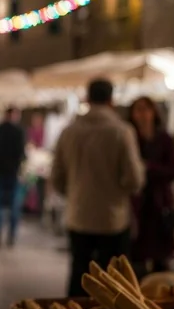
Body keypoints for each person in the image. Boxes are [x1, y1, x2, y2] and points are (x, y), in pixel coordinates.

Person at [51, 78, 145, 297]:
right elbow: (134, 179)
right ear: (112, 100)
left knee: (79, 276)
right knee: (114, 284)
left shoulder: (69, 132)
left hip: (78, 215)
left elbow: (56, 177)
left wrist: (74, 193)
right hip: (113, 218)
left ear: (87, 98)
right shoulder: (122, 131)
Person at [128, 97, 174, 275]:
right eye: (138, 110)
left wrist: (148, 167)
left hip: (159, 204)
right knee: (137, 258)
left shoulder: (165, 138)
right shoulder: (130, 138)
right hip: (137, 204)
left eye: (146, 109)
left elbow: (173, 170)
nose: (142, 114)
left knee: (161, 258)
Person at [0, 107, 27, 247]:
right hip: (13, 174)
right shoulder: (19, 131)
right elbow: (23, 155)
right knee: (14, 206)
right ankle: (11, 235)